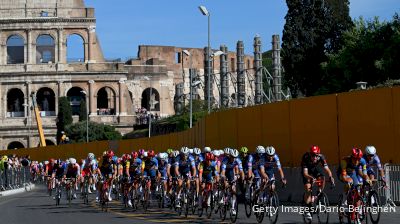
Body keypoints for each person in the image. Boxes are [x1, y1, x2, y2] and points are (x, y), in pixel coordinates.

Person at [301, 145, 334, 221]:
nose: (314, 157)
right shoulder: (306, 157)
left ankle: (319, 192)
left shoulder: (321, 157)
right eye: (313, 155)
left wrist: (330, 177)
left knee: (322, 177)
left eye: (316, 155)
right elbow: (305, 174)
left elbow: (327, 169)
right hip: (307, 171)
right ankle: (307, 209)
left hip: (315, 168)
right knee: (308, 187)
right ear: (310, 154)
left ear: (318, 155)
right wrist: (312, 178)